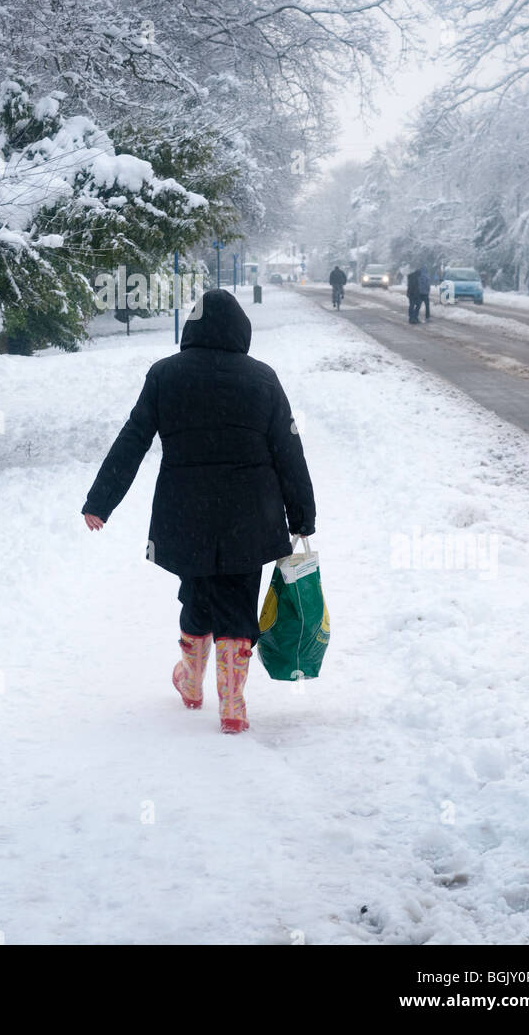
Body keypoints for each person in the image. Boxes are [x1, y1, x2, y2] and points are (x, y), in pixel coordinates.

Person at [81, 289, 316, 735]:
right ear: (241, 330)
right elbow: (289, 450)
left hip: (186, 513)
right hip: (251, 514)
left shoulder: (166, 375)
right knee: (238, 597)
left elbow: (133, 439)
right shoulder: (263, 378)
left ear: (192, 326)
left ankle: (190, 680)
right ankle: (232, 704)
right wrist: (301, 514)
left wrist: (101, 501)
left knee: (197, 592)